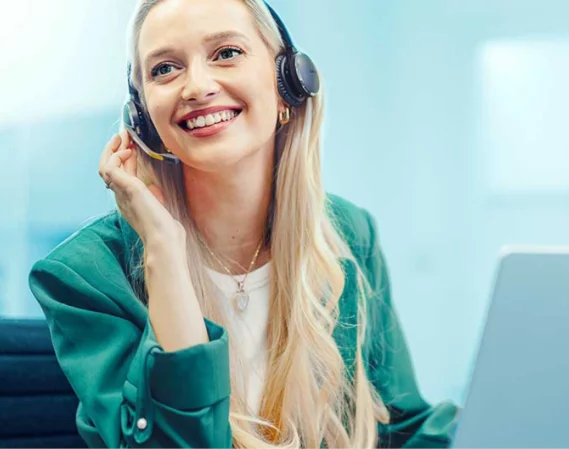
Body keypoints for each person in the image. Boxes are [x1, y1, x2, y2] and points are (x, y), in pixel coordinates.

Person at [27, 0, 458, 447]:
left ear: (287, 82)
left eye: (226, 53)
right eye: (165, 69)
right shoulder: (85, 275)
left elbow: (403, 427)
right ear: (143, 116)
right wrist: (164, 251)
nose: (197, 87)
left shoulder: (349, 235)